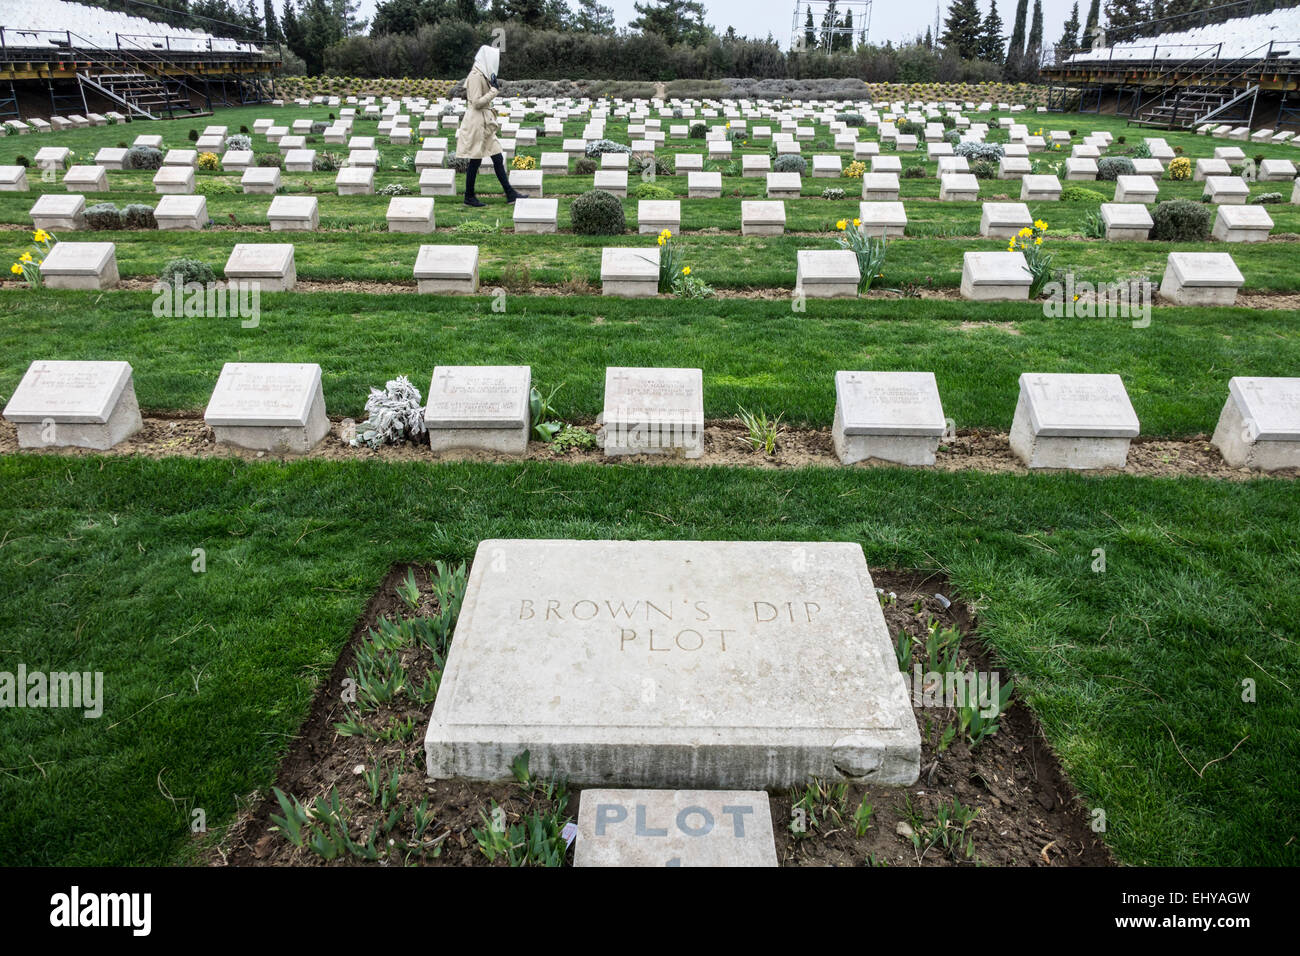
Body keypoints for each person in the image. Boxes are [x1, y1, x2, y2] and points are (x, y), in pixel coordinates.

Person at [457, 44, 527, 207]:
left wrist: (492, 88)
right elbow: (476, 103)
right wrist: (494, 91)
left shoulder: (482, 75)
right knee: (475, 159)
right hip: (476, 122)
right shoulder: (475, 76)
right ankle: (469, 197)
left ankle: (510, 194)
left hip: (485, 123)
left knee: (497, 156)